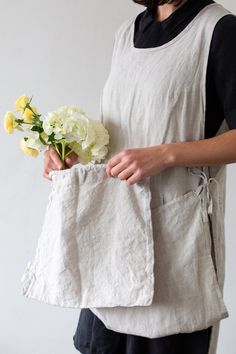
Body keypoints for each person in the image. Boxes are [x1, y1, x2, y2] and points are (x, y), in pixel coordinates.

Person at [43, 0, 236, 353]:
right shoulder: (126, 35)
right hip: (113, 240)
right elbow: (121, 135)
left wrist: (167, 154)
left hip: (177, 247)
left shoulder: (218, 31)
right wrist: (72, 157)